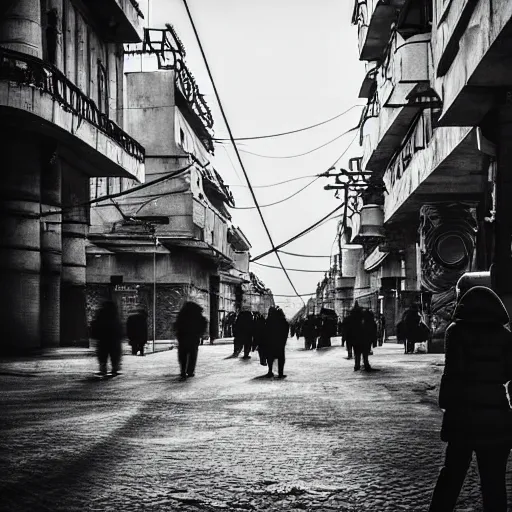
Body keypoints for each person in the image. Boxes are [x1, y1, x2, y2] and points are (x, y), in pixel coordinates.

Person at [428, 286, 512, 512]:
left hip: (463, 416)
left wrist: (446, 403)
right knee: (494, 481)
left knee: (452, 475)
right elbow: (509, 373)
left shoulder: (455, 331)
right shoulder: (505, 336)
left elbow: (452, 372)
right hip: (496, 417)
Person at [174, 301, 207, 380]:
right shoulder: (198, 315)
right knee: (193, 355)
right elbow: (203, 324)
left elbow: (177, 325)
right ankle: (190, 371)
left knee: (183, 355)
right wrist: (200, 334)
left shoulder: (182, 315)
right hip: (194, 338)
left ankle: (183, 370)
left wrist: (178, 334)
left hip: (183, 338)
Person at [90, 300, 123, 376]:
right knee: (114, 354)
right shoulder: (115, 314)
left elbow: (96, 324)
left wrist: (95, 335)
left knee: (102, 353)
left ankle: (103, 367)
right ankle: (114, 367)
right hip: (113, 338)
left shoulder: (101, 313)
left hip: (103, 337)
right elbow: (118, 326)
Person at [264, 306, 289, 378]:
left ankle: (270, 371)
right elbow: (286, 332)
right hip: (280, 343)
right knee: (281, 357)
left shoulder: (268, 321)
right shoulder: (283, 321)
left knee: (270, 357)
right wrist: (283, 341)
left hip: (270, 342)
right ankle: (280, 373)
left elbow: (265, 332)